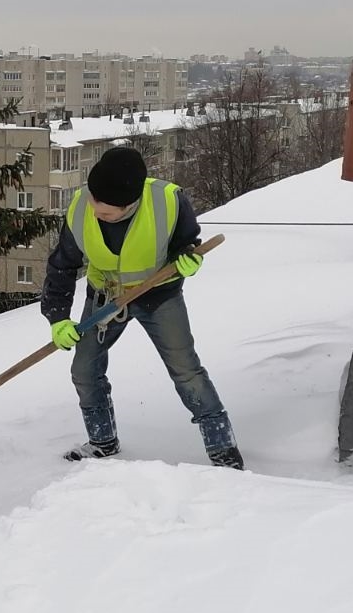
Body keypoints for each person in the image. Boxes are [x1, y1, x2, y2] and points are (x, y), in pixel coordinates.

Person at [40, 145, 243, 469]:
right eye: (94, 201)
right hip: (105, 298)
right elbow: (62, 266)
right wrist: (57, 319)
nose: (95, 212)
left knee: (187, 371)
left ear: (130, 205)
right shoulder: (81, 207)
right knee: (84, 370)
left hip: (158, 296)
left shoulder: (169, 202)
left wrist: (186, 260)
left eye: (106, 212)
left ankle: (224, 451)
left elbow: (186, 244)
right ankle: (102, 441)